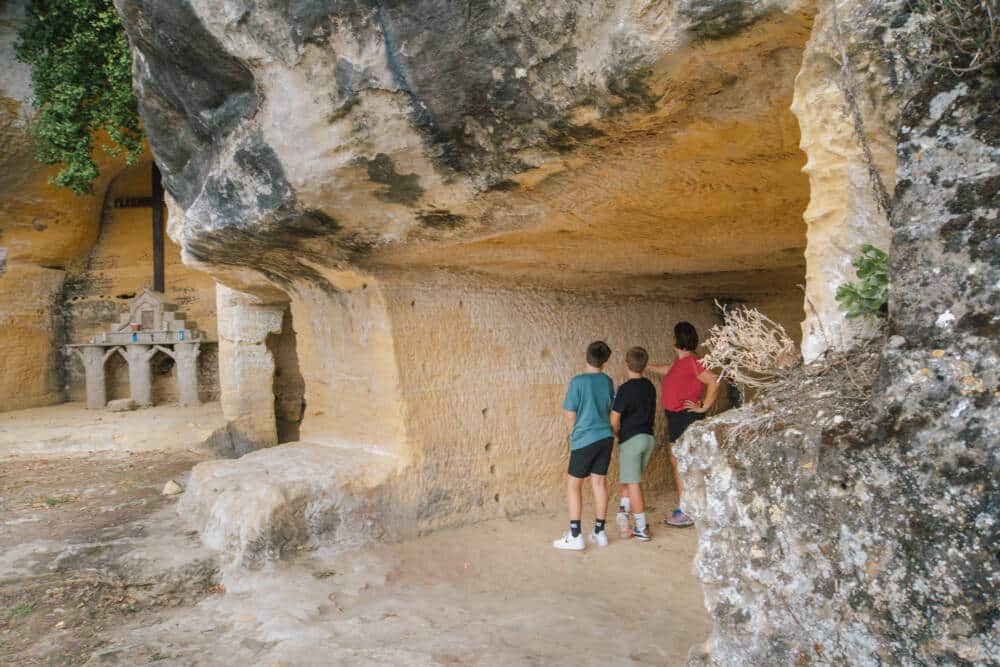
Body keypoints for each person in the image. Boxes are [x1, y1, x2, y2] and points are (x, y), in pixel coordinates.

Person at [647, 322, 719, 528]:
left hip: (684, 417)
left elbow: (714, 381)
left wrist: (704, 407)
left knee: (682, 463)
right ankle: (692, 507)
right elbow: (668, 370)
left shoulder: (693, 362)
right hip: (677, 417)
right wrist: (646, 366)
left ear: (676, 340)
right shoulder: (682, 362)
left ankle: (687, 510)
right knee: (681, 461)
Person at [553, 340, 615, 550]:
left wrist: (575, 435)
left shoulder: (578, 382)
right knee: (599, 483)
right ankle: (599, 532)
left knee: (574, 485)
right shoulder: (607, 381)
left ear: (586, 355)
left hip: (585, 438)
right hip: (605, 437)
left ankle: (576, 534)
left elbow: (570, 413)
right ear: (605, 361)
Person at [611, 347, 657, 541]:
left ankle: (640, 528)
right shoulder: (650, 386)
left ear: (626, 364)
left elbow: (614, 420)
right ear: (645, 366)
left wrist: (617, 434)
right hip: (648, 438)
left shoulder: (624, 389)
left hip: (631, 439)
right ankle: (623, 510)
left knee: (634, 483)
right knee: (631, 479)